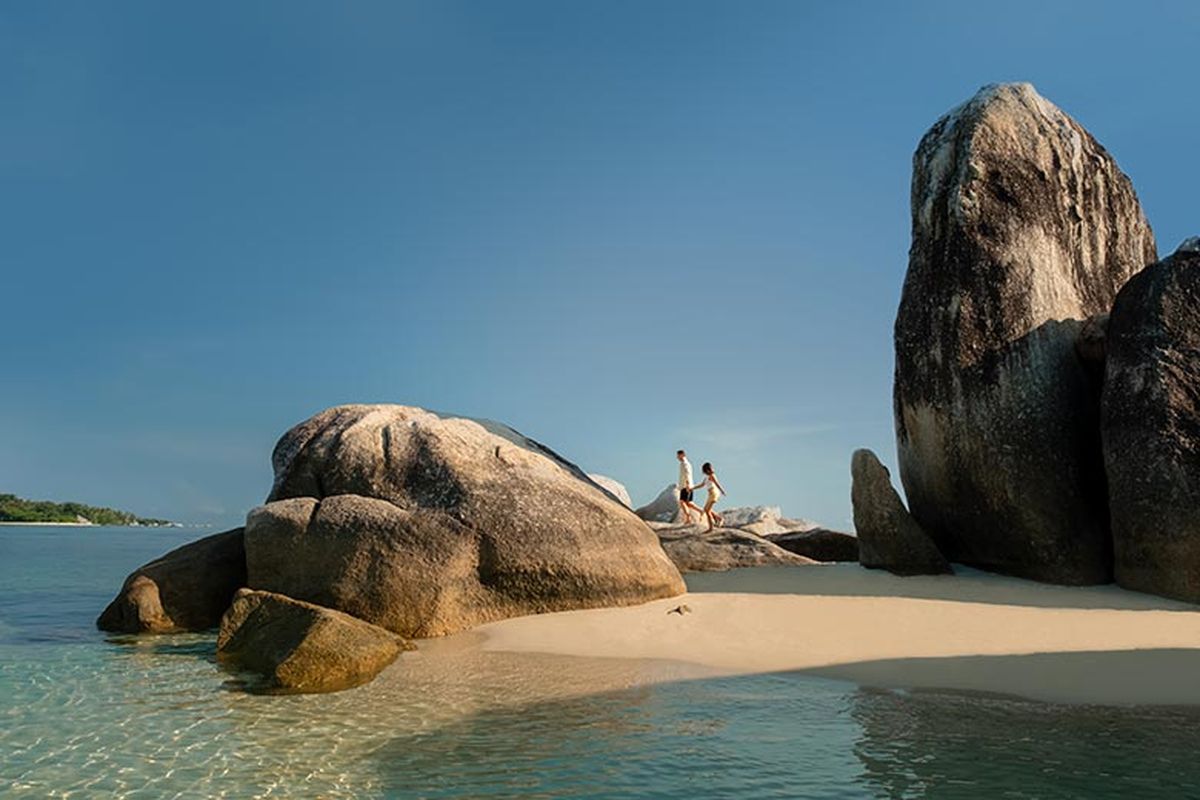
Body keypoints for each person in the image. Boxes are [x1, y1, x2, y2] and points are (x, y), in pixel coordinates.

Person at [694, 462, 727, 531]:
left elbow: (717, 483)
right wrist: (692, 488)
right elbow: (701, 485)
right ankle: (719, 519)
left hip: (714, 493)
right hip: (710, 494)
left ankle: (711, 528)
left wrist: (722, 491)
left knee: (707, 510)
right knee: (706, 510)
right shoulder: (706, 477)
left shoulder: (712, 475)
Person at [676, 449, 704, 524]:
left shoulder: (685, 464)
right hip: (686, 485)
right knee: (689, 503)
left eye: (678, 455)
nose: (677, 457)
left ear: (682, 455)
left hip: (686, 485)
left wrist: (687, 485)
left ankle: (688, 518)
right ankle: (701, 511)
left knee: (682, 502)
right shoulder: (685, 463)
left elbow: (687, 474)